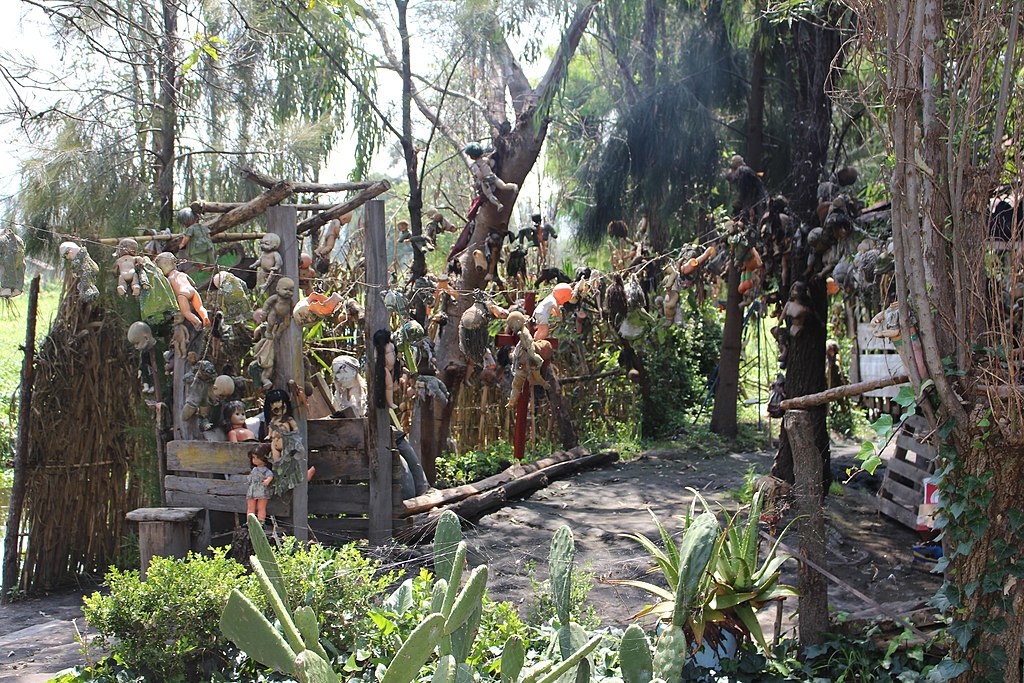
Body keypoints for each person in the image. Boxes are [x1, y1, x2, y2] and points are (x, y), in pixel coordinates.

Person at [246, 444, 274, 522]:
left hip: (262, 489)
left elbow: (270, 475)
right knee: (251, 507)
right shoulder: (254, 469)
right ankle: (250, 522)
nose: (255, 460)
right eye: (253, 458)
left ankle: (260, 522)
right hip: (253, 489)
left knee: (261, 507)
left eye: (258, 458)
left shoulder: (265, 470)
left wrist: (268, 480)